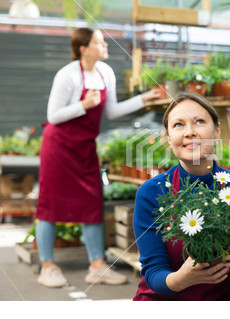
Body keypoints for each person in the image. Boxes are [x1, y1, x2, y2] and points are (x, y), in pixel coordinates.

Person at [36, 27, 161, 288]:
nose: (105, 45)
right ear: (83, 48)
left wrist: (143, 99)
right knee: (50, 203)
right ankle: (47, 266)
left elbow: (112, 111)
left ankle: (97, 267)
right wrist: (83, 105)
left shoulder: (106, 72)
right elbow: (53, 116)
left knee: (92, 202)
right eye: (99, 41)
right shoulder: (68, 75)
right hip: (58, 147)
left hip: (84, 148)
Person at [133, 92, 230, 301]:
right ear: (167, 138)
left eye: (199, 122)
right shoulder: (151, 192)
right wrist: (182, 279)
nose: (190, 132)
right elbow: (153, 272)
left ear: (217, 131)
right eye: (178, 125)